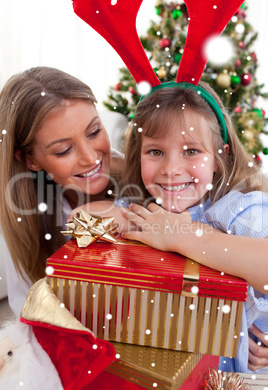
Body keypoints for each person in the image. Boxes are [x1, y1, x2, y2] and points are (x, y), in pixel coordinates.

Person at [118, 81, 268, 373]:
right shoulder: (143, 210)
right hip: (158, 369)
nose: (171, 169)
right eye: (156, 152)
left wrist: (180, 235)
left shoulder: (238, 210)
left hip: (225, 380)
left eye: (191, 151)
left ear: (219, 157)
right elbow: (82, 217)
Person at [0, 66, 124, 316]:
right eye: (64, 151)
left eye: (94, 132)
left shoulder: (155, 183)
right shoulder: (26, 219)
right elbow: (30, 314)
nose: (90, 158)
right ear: (31, 161)